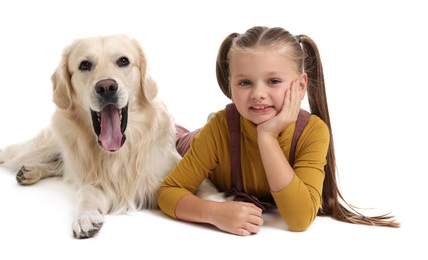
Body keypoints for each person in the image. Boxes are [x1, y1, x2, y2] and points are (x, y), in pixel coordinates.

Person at [157, 26, 400, 236]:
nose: (258, 94)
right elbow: (168, 192)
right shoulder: (219, 128)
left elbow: (299, 219)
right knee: (167, 134)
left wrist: (267, 136)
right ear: (230, 86)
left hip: (233, 134)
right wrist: (213, 212)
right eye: (245, 82)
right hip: (191, 141)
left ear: (301, 85)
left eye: (273, 81)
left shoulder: (313, 132)